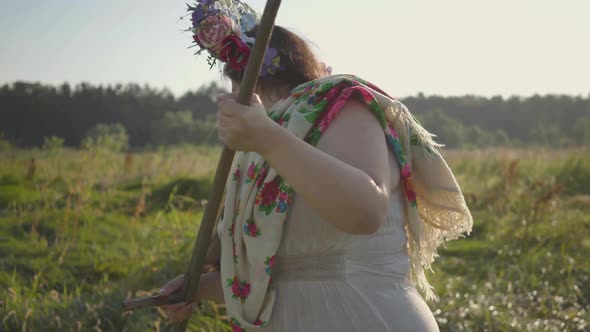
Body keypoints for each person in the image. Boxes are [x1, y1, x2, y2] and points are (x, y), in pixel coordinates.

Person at [160, 2, 472, 331]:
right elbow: (282, 271)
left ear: (254, 81)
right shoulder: (256, 155)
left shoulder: (340, 105)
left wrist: (266, 136)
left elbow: (365, 211)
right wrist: (198, 288)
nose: (232, 99)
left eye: (236, 85)